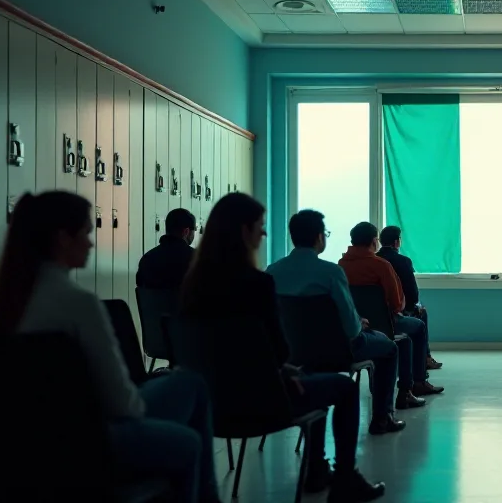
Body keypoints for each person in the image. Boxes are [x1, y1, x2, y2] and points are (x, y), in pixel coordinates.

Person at [0, 191, 220, 503]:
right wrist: (148, 413)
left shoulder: (3, 302)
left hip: (26, 442)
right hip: (92, 438)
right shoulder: (79, 304)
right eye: (86, 232)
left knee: (186, 384)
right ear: (62, 239)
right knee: (190, 412)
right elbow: (122, 403)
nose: (91, 242)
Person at [179, 194, 384, 501]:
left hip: (208, 404)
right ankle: (344, 479)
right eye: (259, 227)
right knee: (343, 387)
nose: (263, 234)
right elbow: (277, 351)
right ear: (243, 232)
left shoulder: (193, 285)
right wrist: (284, 369)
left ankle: (316, 468)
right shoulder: (258, 284)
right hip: (262, 400)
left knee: (309, 374)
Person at [266, 210, 411, 435]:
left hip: (292, 354)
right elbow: (352, 329)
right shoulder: (330, 272)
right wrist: (358, 322)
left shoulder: (272, 272)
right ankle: (383, 417)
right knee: (390, 348)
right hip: (336, 351)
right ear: (319, 237)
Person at [339, 222, 443, 397]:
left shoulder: (341, 265)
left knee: (405, 337)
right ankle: (417, 382)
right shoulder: (381, 265)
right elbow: (396, 303)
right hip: (385, 324)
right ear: (374, 241)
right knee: (418, 327)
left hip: (356, 326)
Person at [376, 225, 441, 370]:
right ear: (397, 242)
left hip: (372, 316)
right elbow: (412, 293)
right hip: (397, 312)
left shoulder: (373, 261)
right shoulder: (403, 261)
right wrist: (414, 307)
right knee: (421, 314)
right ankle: (425, 358)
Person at [137, 208, 196, 290]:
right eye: (194, 230)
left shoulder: (147, 258)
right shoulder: (196, 258)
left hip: (154, 303)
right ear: (186, 232)